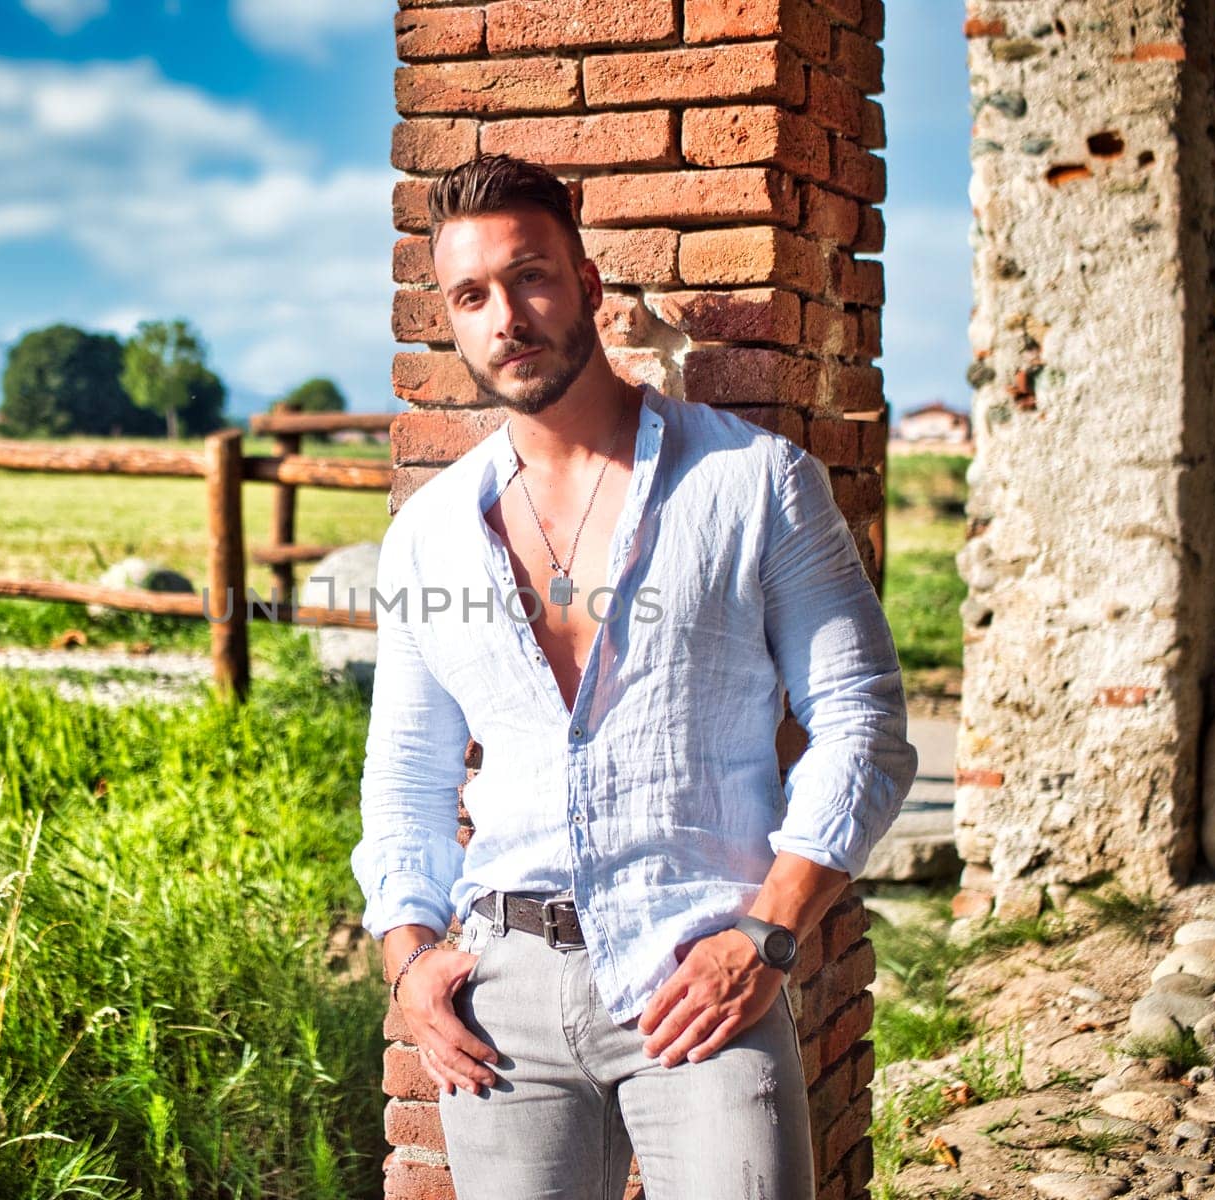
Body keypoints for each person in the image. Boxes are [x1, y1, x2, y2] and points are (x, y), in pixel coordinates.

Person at [351, 153, 918, 1200]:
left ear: (588, 285)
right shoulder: (428, 538)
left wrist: (769, 931)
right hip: (502, 991)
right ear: (451, 319)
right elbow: (404, 777)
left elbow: (862, 725)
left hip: (700, 970)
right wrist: (409, 957)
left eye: (530, 277)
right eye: (471, 295)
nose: (505, 317)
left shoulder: (752, 484)